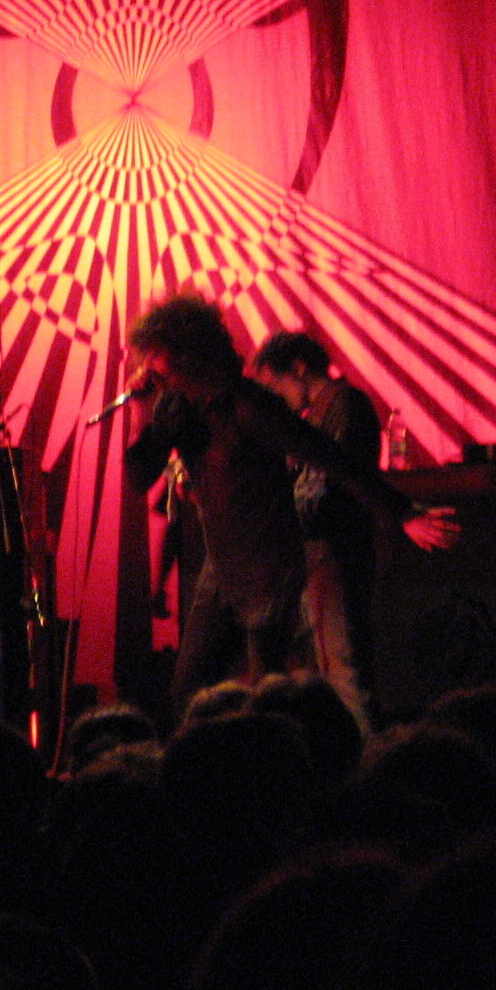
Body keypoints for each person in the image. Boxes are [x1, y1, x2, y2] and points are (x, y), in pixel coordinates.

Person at [120, 295, 453, 714]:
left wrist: (403, 512)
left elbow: (331, 458)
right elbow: (138, 477)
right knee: (186, 692)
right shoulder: (177, 409)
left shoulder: (248, 405)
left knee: (267, 698)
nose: (149, 366)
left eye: (158, 357)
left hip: (269, 570)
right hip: (221, 568)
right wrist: (140, 414)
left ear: (190, 354)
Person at [251, 330, 384, 725]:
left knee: (343, 668)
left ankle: (363, 749)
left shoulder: (346, 405)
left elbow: (332, 486)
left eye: (275, 384)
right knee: (332, 666)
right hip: (325, 553)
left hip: (335, 551)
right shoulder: (324, 413)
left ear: (298, 368)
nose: (276, 397)